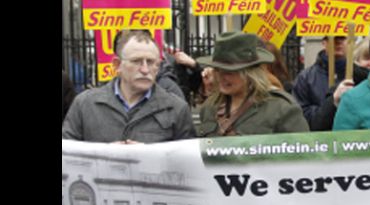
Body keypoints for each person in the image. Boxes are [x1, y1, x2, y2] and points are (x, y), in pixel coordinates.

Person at [62, 30, 196, 143]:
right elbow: (68, 155)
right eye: (136, 61)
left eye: (150, 62)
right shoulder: (85, 104)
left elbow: (187, 163)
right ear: (117, 65)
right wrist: (105, 153)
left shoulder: (176, 108)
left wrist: (148, 155)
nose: (145, 69)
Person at [196, 32, 308, 136]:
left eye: (229, 72)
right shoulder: (209, 107)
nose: (221, 77)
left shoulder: (281, 108)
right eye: (217, 70)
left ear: (250, 74)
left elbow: (301, 151)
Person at [292, 36, 347, 124]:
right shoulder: (305, 78)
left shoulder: (360, 76)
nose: (338, 42)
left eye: (343, 37)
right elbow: (300, 117)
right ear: (324, 42)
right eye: (333, 37)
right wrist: (329, 105)